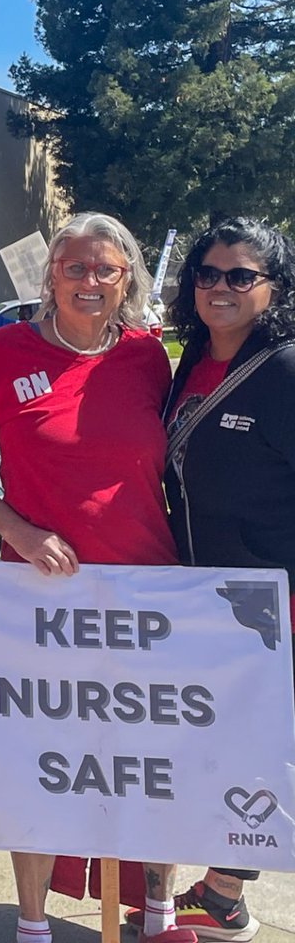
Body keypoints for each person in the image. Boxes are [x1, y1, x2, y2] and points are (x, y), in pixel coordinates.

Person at [0, 212, 194, 943]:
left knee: (149, 758)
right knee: (39, 759)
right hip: (38, 597)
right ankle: (31, 923)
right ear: (49, 274)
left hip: (147, 591)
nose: (89, 281)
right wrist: (15, 529)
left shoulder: (149, 357)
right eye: (74, 267)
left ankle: (159, 911)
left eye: (105, 269)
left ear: (127, 280)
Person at [124, 218, 295, 943]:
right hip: (203, 594)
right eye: (207, 274)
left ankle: (224, 891)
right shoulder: (189, 362)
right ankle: (222, 892)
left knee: (263, 745)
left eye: (239, 275)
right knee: (229, 744)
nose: (219, 288)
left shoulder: (285, 369)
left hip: (272, 598)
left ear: (274, 287)